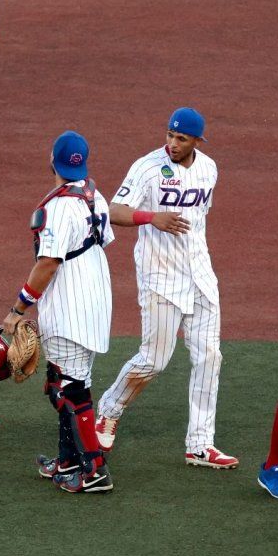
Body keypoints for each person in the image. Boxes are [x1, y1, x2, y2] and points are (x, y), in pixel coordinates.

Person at [94, 107, 237, 469]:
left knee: (210, 357)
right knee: (155, 359)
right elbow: (114, 210)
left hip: (201, 277)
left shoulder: (209, 169)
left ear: (197, 141)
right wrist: (151, 217)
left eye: (181, 139)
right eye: (170, 135)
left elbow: (200, 221)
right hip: (160, 277)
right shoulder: (147, 167)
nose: (172, 143)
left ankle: (200, 444)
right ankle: (109, 409)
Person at [2, 130, 114, 493]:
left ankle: (94, 469)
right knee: (62, 382)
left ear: (52, 160)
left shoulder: (55, 206)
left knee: (70, 390)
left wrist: (18, 308)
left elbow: (48, 263)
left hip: (70, 307)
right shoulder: (95, 197)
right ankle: (68, 460)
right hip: (94, 300)